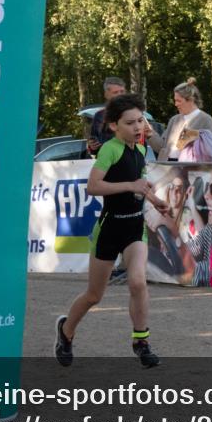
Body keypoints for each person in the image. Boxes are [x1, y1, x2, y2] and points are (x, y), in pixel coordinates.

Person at [55, 94, 169, 368]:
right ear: (114, 126)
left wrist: (155, 200)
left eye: (140, 121)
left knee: (138, 282)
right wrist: (130, 186)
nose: (138, 127)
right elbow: (93, 186)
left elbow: (140, 185)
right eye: (130, 123)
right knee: (95, 295)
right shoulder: (110, 149)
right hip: (109, 228)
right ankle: (66, 331)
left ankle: (141, 341)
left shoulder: (140, 151)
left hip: (134, 227)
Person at [153, 165, 212, 287]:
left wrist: (173, 230)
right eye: (207, 189)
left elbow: (192, 273)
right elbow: (191, 250)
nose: (206, 195)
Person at [147, 78, 212, 162]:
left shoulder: (206, 119)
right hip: (168, 168)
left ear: (190, 100)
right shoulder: (174, 120)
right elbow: (162, 148)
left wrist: (193, 137)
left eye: (178, 101)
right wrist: (150, 134)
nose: (175, 104)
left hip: (190, 170)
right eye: (175, 100)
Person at [86, 76, 127, 156]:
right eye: (115, 92)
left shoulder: (134, 113)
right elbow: (94, 147)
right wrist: (92, 147)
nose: (120, 95)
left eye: (122, 91)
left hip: (129, 162)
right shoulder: (99, 115)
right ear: (106, 95)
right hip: (107, 163)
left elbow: (142, 145)